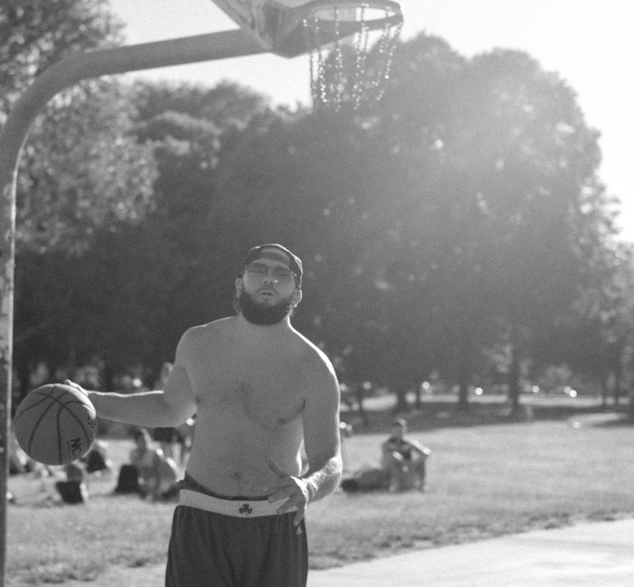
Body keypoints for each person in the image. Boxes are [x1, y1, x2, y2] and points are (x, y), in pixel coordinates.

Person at [71, 243, 342, 587]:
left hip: (274, 522)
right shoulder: (199, 343)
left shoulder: (314, 368)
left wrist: (309, 486)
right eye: (259, 271)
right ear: (239, 283)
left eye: (282, 275)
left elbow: (329, 458)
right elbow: (170, 408)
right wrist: (92, 401)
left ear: (297, 294)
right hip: (202, 517)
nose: (269, 280)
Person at [379, 418, 431, 492]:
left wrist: (416, 461)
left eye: (401, 430)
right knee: (392, 462)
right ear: (392, 431)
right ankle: (395, 484)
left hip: (407, 468)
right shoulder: (387, 444)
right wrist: (403, 460)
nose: (399, 433)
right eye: (396, 430)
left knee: (421, 462)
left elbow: (426, 451)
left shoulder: (409, 443)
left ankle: (421, 484)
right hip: (394, 470)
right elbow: (388, 457)